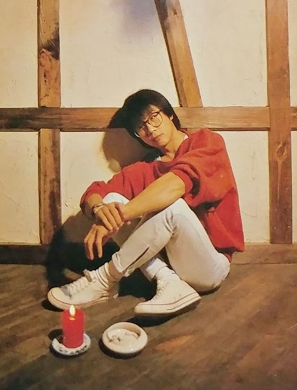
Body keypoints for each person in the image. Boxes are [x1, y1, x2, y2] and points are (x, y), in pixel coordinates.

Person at [47, 89, 245, 318]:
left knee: (172, 206)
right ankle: (169, 283)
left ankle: (104, 280)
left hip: (209, 267)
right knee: (112, 201)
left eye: (154, 117)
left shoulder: (206, 142)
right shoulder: (146, 168)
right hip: (171, 266)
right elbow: (96, 191)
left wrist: (121, 215)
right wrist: (100, 210)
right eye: (141, 126)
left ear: (170, 114)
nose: (150, 129)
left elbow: (176, 184)